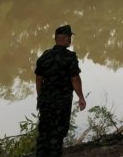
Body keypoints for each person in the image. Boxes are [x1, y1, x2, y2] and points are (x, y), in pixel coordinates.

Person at [34, 24, 87, 156]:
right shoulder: (70, 57)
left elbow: (38, 79)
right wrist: (81, 97)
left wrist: (40, 96)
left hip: (45, 101)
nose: (70, 40)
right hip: (61, 102)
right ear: (66, 38)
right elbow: (75, 79)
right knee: (57, 134)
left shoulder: (44, 56)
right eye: (69, 37)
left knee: (44, 132)